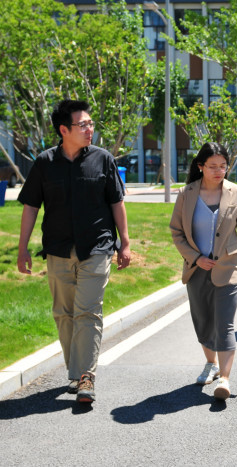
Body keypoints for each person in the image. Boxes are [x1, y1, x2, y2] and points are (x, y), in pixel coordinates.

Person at [16, 99, 131, 404]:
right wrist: (23, 248)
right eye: (83, 125)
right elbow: (30, 206)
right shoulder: (44, 163)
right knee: (63, 314)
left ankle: (86, 376)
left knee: (88, 311)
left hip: (97, 247)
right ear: (64, 130)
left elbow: (116, 202)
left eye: (91, 124)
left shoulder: (103, 160)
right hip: (58, 249)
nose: (90, 129)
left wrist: (126, 243)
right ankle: (75, 369)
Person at [169, 142, 237, 400]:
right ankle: (210, 363)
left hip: (228, 269)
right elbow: (176, 232)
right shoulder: (186, 194)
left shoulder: (236, 193)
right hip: (196, 270)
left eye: (223, 166)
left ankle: (225, 378)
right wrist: (195, 258)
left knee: (225, 324)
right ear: (200, 167)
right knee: (203, 322)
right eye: (212, 166)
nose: (219, 171)